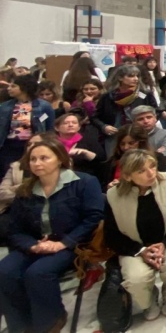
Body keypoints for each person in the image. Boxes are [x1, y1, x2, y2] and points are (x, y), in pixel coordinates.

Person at [0, 136, 103, 333]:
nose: (37, 163)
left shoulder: (84, 182)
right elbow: (14, 228)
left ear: (60, 158)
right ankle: (19, 326)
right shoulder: (25, 189)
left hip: (73, 243)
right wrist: (32, 245)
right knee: (4, 270)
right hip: (36, 243)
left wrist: (63, 243)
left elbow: (93, 219)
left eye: (44, 158)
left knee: (38, 272)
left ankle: (49, 321)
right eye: (33, 159)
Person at [104, 149, 166, 320]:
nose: (151, 173)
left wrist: (164, 243)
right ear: (128, 176)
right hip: (134, 245)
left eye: (152, 166)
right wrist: (140, 250)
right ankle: (148, 301)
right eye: (141, 171)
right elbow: (112, 235)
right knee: (137, 279)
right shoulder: (113, 196)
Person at [0, 74, 56, 177]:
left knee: (31, 174)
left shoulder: (44, 107)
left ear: (24, 88)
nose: (9, 89)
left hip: (32, 145)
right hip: (9, 146)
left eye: (13, 86)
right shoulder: (4, 107)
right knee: (7, 174)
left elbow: (50, 130)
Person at [54, 111, 105, 180]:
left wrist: (86, 153)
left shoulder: (89, 140)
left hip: (84, 179)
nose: (70, 125)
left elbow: (102, 160)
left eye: (74, 123)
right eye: (66, 123)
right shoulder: (53, 143)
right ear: (57, 128)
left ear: (79, 127)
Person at [132, 105, 166, 171]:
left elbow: (163, 156)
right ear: (134, 122)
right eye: (140, 119)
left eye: (149, 117)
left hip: (162, 172)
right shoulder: (131, 136)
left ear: (155, 118)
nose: (146, 121)